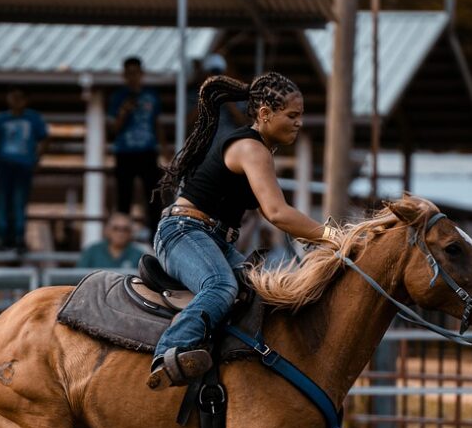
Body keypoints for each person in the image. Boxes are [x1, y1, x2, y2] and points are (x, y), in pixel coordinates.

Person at [147, 72, 334, 390]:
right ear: (265, 114)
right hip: (183, 231)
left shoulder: (259, 150)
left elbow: (274, 213)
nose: (299, 123)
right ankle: (168, 353)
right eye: (292, 115)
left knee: (261, 294)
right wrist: (334, 237)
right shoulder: (251, 148)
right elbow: (277, 212)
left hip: (210, 238)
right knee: (220, 287)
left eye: (300, 116)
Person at [107, 57, 165, 234]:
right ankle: (121, 236)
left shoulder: (151, 95)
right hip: (125, 152)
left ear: (141, 73)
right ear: (124, 75)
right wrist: (124, 112)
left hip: (148, 151)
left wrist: (165, 150)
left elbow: (157, 124)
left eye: (135, 73)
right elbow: (113, 130)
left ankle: (155, 237)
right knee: (124, 197)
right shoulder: (118, 97)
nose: (133, 77)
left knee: (153, 196)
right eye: (129, 73)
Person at [0, 85, 49, 250]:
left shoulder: (33, 118)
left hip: (24, 166)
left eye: (20, 97)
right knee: (2, 202)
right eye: (13, 96)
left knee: (18, 202)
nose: (16, 101)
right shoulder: (0, 119)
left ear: (26, 100)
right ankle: (3, 238)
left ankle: (18, 238)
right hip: (3, 166)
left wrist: (37, 159)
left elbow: (45, 139)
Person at [76, 212, 144, 270]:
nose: (120, 233)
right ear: (107, 231)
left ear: (131, 233)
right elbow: (78, 277)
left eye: (125, 229)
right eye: (115, 228)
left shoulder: (139, 255)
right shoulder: (92, 251)